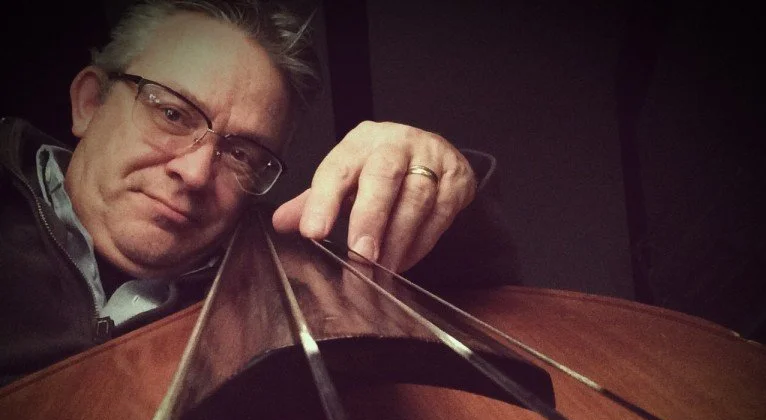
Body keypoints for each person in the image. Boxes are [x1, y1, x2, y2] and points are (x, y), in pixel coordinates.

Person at [0, 0, 518, 385]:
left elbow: (473, 306)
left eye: (242, 153)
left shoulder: (285, 267)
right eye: (173, 113)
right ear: (89, 103)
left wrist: (440, 185)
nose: (197, 172)